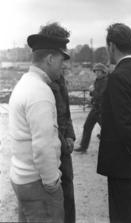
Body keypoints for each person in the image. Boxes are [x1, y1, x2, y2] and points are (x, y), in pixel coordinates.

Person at [9, 22, 71, 223]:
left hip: (22, 178)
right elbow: (43, 147)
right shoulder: (40, 92)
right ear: (50, 58)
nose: (65, 65)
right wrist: (53, 183)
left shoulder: (25, 84)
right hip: (38, 185)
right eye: (62, 59)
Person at [97, 23, 131, 223]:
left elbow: (124, 123)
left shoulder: (117, 77)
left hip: (123, 162)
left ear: (112, 46)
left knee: (124, 216)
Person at [50, 71, 76, 223]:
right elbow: (50, 124)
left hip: (64, 149)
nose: (64, 65)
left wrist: (70, 136)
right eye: (61, 59)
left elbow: (66, 113)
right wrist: (64, 141)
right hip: (51, 147)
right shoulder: (42, 85)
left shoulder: (61, 80)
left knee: (68, 194)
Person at [74, 63, 108, 153]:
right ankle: (83, 147)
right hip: (95, 108)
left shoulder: (106, 82)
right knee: (87, 126)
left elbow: (101, 96)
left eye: (98, 71)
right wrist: (91, 93)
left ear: (103, 72)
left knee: (107, 129)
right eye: (95, 71)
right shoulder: (97, 80)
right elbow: (95, 93)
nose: (96, 73)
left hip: (102, 110)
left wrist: (93, 91)